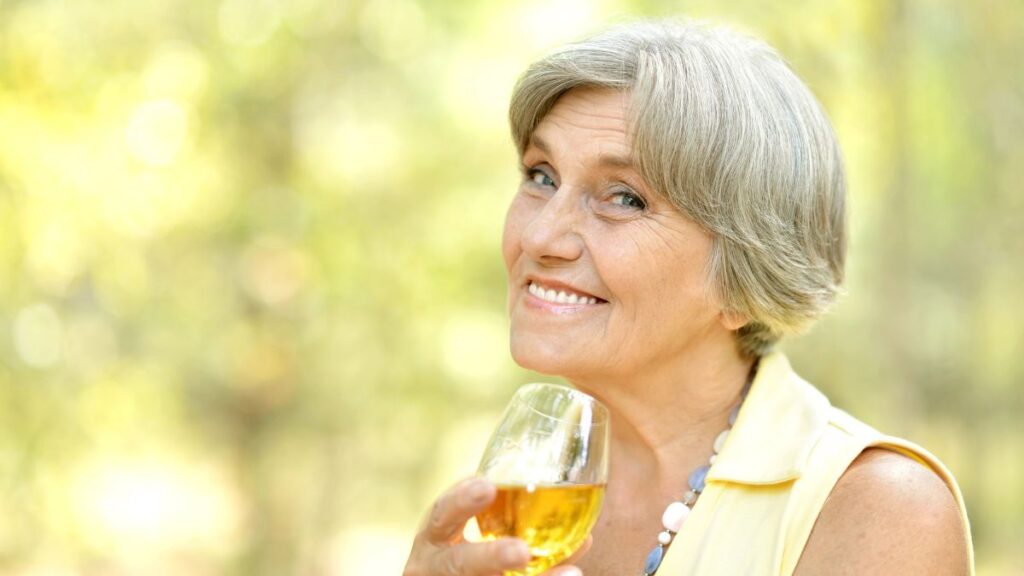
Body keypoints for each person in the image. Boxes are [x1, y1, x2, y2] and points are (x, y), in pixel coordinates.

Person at [404, 19, 974, 576]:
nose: (538, 237)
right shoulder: (526, 489)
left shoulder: (880, 510)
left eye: (624, 198)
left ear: (744, 279)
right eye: (542, 175)